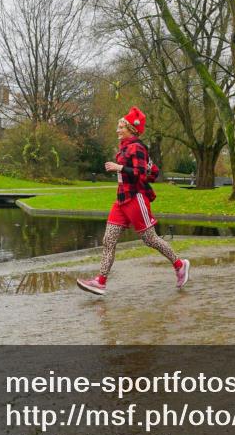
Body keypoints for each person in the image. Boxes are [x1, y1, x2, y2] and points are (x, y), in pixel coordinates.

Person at [77, 107, 190, 295]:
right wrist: (120, 167)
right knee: (108, 240)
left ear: (131, 129)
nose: (117, 130)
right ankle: (100, 281)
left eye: (121, 127)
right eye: (118, 127)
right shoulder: (125, 147)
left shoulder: (137, 147)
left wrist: (118, 167)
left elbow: (140, 173)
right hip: (121, 200)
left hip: (136, 199)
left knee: (150, 239)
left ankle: (180, 265)